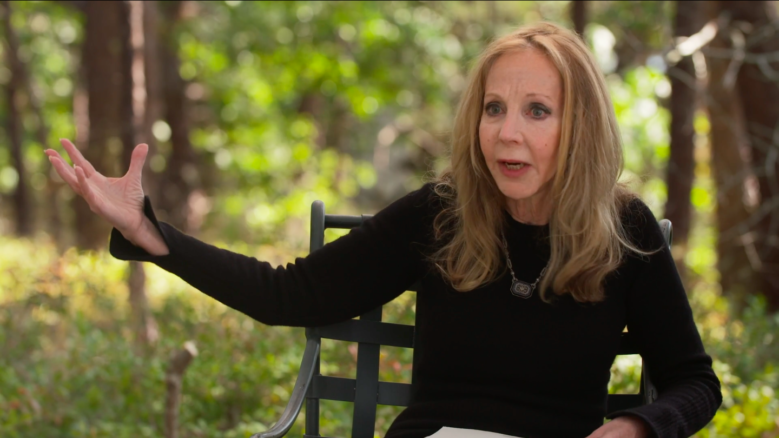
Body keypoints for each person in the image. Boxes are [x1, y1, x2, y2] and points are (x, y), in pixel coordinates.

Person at [45, 22, 721, 438]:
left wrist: (637, 424)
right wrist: (148, 230)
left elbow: (694, 381)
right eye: (493, 107)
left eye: (537, 110)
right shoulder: (441, 213)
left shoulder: (623, 232)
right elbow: (290, 296)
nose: (506, 132)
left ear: (580, 127)